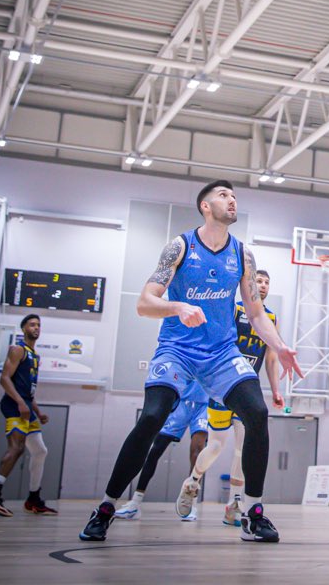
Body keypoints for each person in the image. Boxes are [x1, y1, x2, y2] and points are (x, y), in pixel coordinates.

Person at [78, 180, 301, 544]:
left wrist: (280, 345)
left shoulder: (243, 255)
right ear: (205, 207)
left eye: (234, 196)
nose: (232, 200)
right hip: (177, 350)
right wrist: (177, 306)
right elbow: (144, 302)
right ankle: (106, 506)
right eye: (224, 195)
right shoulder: (180, 246)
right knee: (152, 417)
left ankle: (253, 512)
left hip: (222, 354)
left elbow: (257, 313)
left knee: (257, 414)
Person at [180, 268, 285, 525]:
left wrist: (276, 390)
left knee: (242, 447)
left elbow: (271, 358)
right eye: (258, 280)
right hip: (223, 387)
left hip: (248, 390)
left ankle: (234, 503)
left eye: (266, 282)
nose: (262, 285)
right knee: (216, 446)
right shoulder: (234, 310)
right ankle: (193, 482)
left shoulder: (269, 318)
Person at [0, 314, 55, 517]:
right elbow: (4, 379)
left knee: (40, 451)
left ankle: (33, 498)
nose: (36, 327)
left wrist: (38, 412)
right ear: (23, 329)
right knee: (17, 447)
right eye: (32, 324)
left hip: (26, 407)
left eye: (39, 324)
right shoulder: (18, 349)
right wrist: (20, 403)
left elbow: (28, 391)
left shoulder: (34, 356)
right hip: (14, 405)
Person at [113, 379, 210, 521]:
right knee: (155, 450)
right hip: (182, 402)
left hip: (204, 405)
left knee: (197, 453)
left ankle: (190, 505)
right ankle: (135, 503)